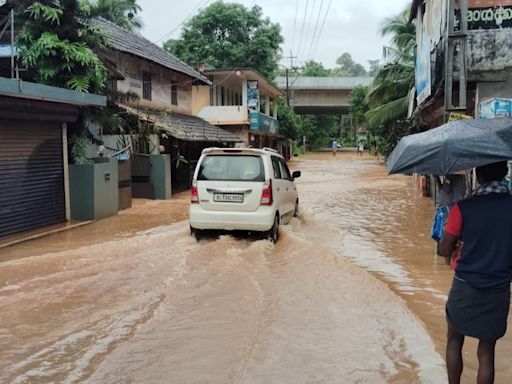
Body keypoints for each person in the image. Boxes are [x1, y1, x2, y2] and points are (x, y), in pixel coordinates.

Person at [440, 161, 512, 384]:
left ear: (478, 176)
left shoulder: (462, 208)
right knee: (487, 352)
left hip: (465, 285)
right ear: (504, 174)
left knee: (454, 340)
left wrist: (458, 246)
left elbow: (443, 249)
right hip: (498, 288)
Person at [431, 175, 467, 254]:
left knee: (446, 239)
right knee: (441, 237)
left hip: (448, 209)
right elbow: (443, 191)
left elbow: (457, 198)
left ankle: (447, 257)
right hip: (444, 208)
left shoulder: (459, 177)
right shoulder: (449, 176)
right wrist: (437, 179)